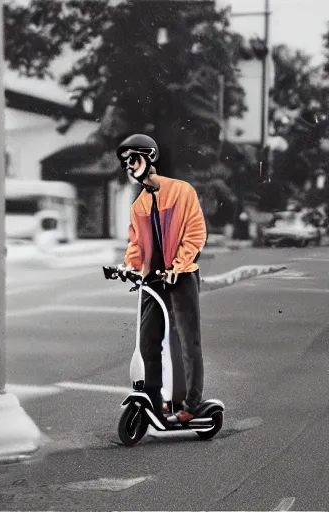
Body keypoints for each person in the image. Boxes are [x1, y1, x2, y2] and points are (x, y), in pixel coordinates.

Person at [116, 133, 207, 423]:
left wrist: (177, 266)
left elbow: (195, 234)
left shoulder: (182, 192)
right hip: (152, 282)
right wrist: (129, 267)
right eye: (125, 162)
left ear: (150, 157)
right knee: (147, 341)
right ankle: (154, 402)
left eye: (133, 159)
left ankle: (189, 405)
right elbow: (135, 245)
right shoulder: (138, 206)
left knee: (184, 341)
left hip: (181, 277)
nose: (129, 166)